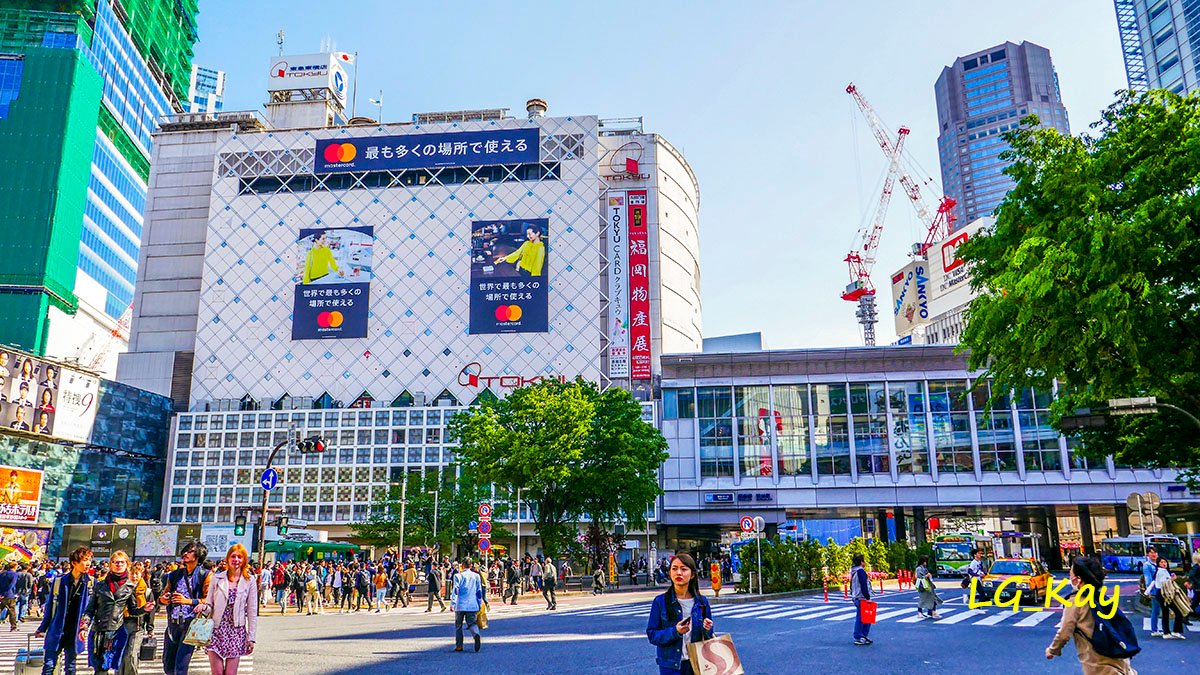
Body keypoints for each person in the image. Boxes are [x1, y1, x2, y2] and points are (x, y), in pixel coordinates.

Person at [1046, 556, 1136, 674]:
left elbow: (1064, 632)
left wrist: (1052, 650)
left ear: (1078, 580)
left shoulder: (1076, 601)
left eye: (1071, 575)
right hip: (1120, 660)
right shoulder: (1101, 598)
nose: (1070, 578)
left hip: (1098, 665)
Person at [82, 550, 149, 675]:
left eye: (122, 562)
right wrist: (84, 626)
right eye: (115, 562)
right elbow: (90, 609)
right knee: (100, 669)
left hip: (116, 631)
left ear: (127, 564)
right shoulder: (100, 585)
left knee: (112, 665)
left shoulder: (130, 587)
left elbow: (133, 610)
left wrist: (145, 609)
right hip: (99, 631)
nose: (119, 564)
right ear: (110, 564)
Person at [646, 554, 714, 675]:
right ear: (669, 572)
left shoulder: (702, 602)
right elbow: (652, 635)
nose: (678, 573)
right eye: (674, 568)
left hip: (697, 663)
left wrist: (707, 629)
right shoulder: (660, 602)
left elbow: (708, 636)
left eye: (683, 569)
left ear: (692, 574)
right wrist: (675, 631)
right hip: (670, 665)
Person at [198, 544, 257, 675]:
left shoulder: (249, 580)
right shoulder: (217, 578)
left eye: (239, 557)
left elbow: (252, 611)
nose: (236, 560)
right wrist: (203, 607)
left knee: (230, 673)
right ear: (228, 559)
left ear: (244, 560)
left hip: (236, 630)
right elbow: (209, 605)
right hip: (216, 629)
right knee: (217, 672)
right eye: (233, 556)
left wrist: (251, 638)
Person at [35, 546, 94, 675]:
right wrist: (42, 628)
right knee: (49, 666)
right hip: (57, 628)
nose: (88, 563)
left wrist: (85, 628)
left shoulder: (90, 583)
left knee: (71, 667)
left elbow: (91, 610)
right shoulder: (59, 581)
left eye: (89, 559)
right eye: (85, 560)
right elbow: (50, 607)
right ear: (74, 563)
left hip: (75, 631)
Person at [159, 540, 211, 675]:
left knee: (181, 667)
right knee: (168, 666)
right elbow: (163, 596)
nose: (186, 553)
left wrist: (188, 601)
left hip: (192, 625)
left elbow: (209, 600)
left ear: (198, 556)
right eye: (185, 550)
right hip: (173, 623)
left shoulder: (205, 575)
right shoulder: (174, 574)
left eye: (190, 551)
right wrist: (164, 599)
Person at [119, 562, 154, 675]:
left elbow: (150, 612)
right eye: (132, 573)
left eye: (137, 574)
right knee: (120, 655)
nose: (134, 576)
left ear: (141, 574)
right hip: (121, 625)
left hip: (138, 627)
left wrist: (150, 629)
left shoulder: (146, 591)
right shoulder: (123, 589)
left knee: (131, 655)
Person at [450, 559, 488, 653]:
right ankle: (476, 634)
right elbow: (479, 591)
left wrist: (453, 603)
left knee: (458, 625)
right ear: (471, 565)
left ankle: (459, 646)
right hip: (472, 604)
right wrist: (479, 603)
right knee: (472, 623)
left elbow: (456, 590)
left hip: (460, 604)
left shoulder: (458, 576)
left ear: (462, 565)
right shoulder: (476, 576)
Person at [1154, 557, 1187, 639]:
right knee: (1177, 611)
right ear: (1158, 564)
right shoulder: (1161, 572)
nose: (1164, 563)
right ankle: (1173, 631)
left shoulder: (1163, 571)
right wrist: (1172, 579)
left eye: (1165, 562)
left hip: (1163, 593)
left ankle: (1168, 632)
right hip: (1164, 593)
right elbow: (1163, 583)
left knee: (1166, 612)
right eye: (1161, 562)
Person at [850, 553, 873, 646]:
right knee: (863, 618)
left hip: (856, 597)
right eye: (864, 560)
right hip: (862, 597)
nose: (865, 562)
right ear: (861, 562)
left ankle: (863, 635)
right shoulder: (860, 571)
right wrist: (868, 597)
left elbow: (851, 585)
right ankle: (860, 636)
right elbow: (863, 585)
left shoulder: (853, 571)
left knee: (865, 618)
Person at [914, 555, 943, 619]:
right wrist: (927, 575)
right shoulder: (919, 568)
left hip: (927, 586)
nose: (926, 563)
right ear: (923, 561)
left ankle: (931, 612)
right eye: (925, 561)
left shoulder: (924, 568)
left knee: (930, 599)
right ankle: (928, 612)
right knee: (926, 599)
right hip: (923, 586)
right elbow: (919, 577)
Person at [1143, 547, 1162, 636]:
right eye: (1151, 553)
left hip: (1163, 589)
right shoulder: (1147, 565)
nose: (1153, 554)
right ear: (1148, 554)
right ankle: (1154, 629)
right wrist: (1149, 591)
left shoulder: (1160, 563)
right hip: (1155, 590)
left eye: (1155, 552)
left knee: (1161, 610)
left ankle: (1164, 629)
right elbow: (1148, 579)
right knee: (1156, 610)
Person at [0, 562, 17, 631]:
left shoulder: (2, 574)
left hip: (1, 594)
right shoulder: (14, 574)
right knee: (12, 611)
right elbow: (12, 585)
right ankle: (13, 626)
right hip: (9, 594)